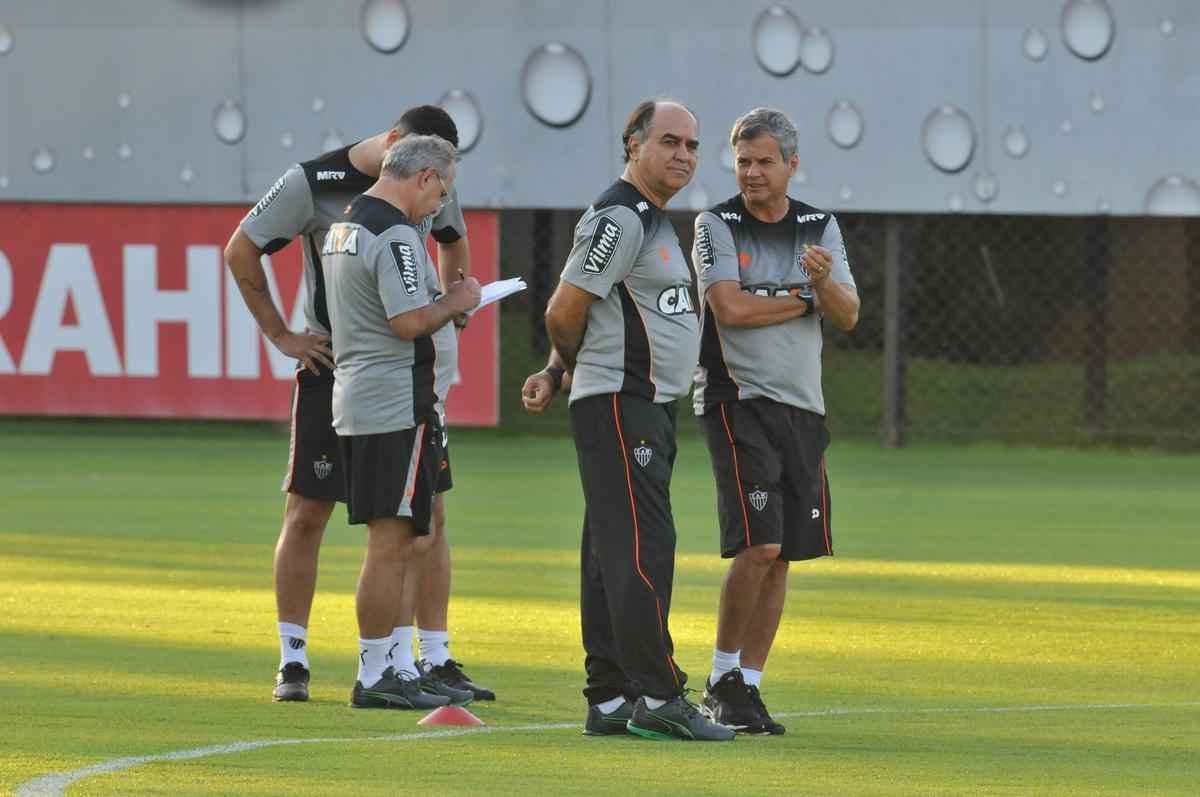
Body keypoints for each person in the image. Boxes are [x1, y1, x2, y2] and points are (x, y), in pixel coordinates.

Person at [224, 105, 493, 703]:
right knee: (318, 514)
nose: (439, 201)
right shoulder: (313, 183)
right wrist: (283, 336)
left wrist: (453, 299)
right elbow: (240, 250)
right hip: (344, 366)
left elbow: (452, 242)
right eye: (437, 189)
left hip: (399, 375)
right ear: (405, 153)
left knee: (423, 519)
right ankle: (299, 659)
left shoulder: (414, 188)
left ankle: (427, 657)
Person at [522, 99, 734, 742]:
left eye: (692, 145)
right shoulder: (621, 215)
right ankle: (660, 695)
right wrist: (567, 363)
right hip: (622, 403)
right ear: (633, 145)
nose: (683, 155)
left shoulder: (652, 218)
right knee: (643, 547)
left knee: (609, 551)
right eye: (669, 141)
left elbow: (604, 310)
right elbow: (564, 308)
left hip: (638, 404)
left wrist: (556, 372)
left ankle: (611, 696)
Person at [692, 108, 859, 734]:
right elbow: (730, 309)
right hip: (738, 400)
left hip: (802, 406)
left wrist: (824, 287)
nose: (752, 172)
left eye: (765, 162)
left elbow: (848, 313)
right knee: (758, 545)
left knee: (782, 553)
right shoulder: (717, 224)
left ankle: (748, 688)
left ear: (792, 164)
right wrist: (806, 296)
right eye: (743, 162)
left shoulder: (819, 226)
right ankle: (720, 678)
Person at [320, 133, 483, 708]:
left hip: (365, 397)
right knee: (391, 543)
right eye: (442, 192)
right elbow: (409, 321)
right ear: (425, 177)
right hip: (395, 403)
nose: (440, 205)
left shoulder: (345, 223)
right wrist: (459, 299)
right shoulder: (393, 234)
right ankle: (374, 673)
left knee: (412, 536)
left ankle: (396, 664)